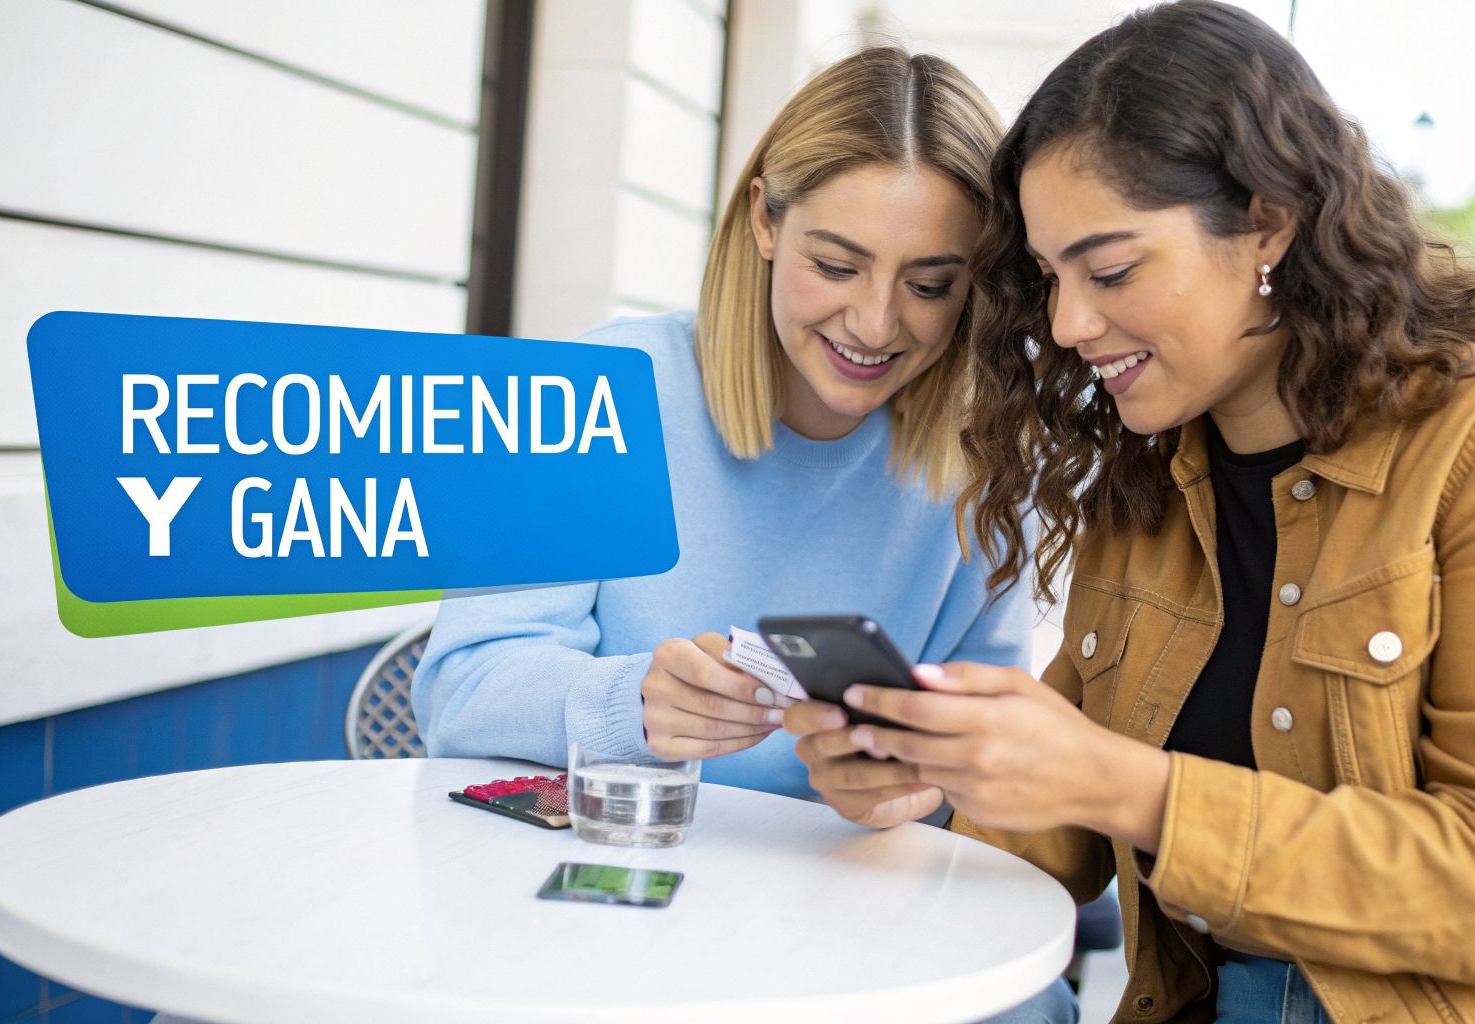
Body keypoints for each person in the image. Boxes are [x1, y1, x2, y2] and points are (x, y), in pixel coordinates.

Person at [785, 4, 1475, 1022]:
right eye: (1048, 277)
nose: (1068, 324)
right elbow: (1064, 818)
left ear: (1269, 224)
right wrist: (926, 788)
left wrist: (1132, 788)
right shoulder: (1149, 473)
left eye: (1110, 271)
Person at [413, 45, 1030, 801]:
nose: (875, 324)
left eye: (930, 284)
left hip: (847, 900)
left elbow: (996, 773)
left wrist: (924, 796)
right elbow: (461, 693)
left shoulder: (988, 469)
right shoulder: (597, 394)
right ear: (764, 221)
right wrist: (634, 702)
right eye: (836, 266)